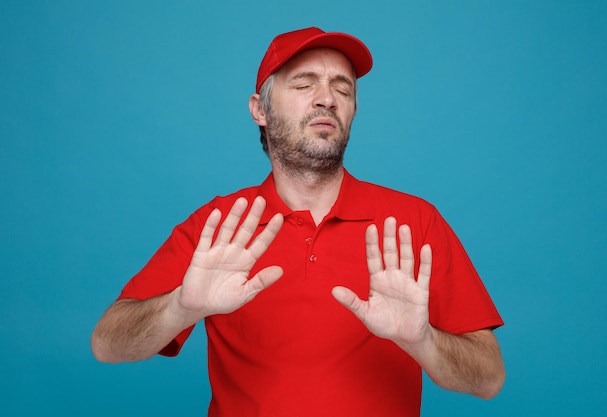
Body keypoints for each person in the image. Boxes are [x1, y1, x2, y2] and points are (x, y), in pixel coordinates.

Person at [91, 27, 505, 416]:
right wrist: (180, 307)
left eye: (342, 88)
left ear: (353, 109)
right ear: (260, 110)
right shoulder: (220, 226)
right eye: (304, 84)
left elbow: (489, 378)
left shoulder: (414, 222)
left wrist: (422, 340)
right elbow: (107, 344)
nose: (326, 98)